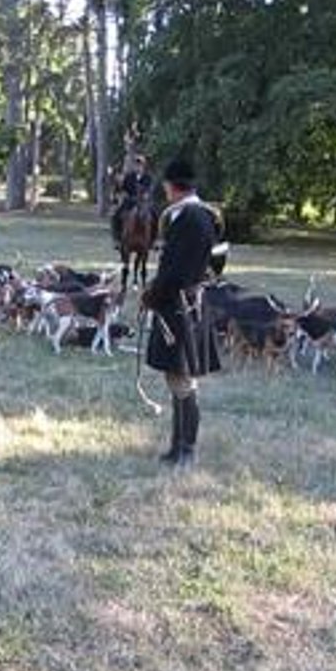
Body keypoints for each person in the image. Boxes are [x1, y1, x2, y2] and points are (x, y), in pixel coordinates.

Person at [140, 158, 227, 467]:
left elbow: (174, 271)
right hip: (190, 301)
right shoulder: (206, 214)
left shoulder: (186, 217)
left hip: (179, 306)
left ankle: (186, 450)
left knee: (183, 381)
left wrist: (151, 295)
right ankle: (177, 447)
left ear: (171, 185)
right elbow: (218, 262)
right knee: (178, 380)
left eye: (165, 185)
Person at [111, 155, 152, 247]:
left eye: (140, 164)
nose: (138, 167)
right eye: (136, 165)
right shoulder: (129, 176)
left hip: (142, 202)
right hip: (130, 201)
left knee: (154, 215)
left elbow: (149, 189)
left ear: (143, 166)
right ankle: (117, 238)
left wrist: (146, 195)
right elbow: (123, 189)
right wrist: (122, 191)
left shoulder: (148, 177)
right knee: (116, 214)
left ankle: (153, 240)